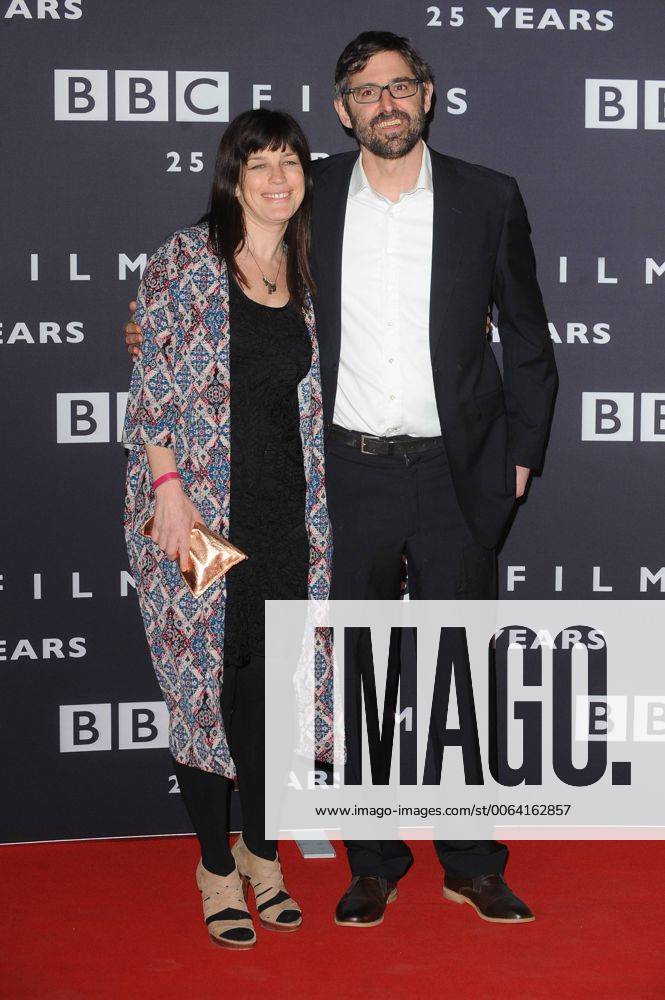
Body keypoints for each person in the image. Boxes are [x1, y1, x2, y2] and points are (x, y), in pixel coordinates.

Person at [125, 31, 558, 929]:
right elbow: (206, 279)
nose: (386, 104)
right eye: (366, 92)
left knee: (456, 677)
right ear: (342, 108)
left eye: (400, 87)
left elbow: (525, 335)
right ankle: (372, 862)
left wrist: (520, 455)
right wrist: (142, 326)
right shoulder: (308, 190)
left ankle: (472, 861)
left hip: (454, 474)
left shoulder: (487, 196)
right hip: (341, 478)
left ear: (428, 95)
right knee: (351, 679)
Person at [122, 108, 331, 949]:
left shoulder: (310, 273)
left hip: (287, 517)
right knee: (202, 688)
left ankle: (261, 852)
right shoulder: (186, 260)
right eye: (259, 166)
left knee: (274, 691)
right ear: (232, 179)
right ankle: (215, 868)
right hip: (198, 520)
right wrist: (168, 491)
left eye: (290, 163)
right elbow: (153, 381)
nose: (277, 179)